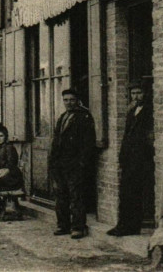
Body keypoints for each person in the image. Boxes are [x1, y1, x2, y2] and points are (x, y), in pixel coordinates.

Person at [108, 83, 154, 237]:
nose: (136, 96)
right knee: (127, 191)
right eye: (133, 93)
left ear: (145, 93)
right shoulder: (131, 111)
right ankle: (125, 225)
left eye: (139, 92)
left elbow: (150, 136)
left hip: (143, 158)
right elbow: (126, 135)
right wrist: (123, 156)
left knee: (139, 192)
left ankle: (134, 225)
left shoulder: (150, 111)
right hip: (130, 157)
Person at [49, 89, 96, 239]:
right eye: (66, 100)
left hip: (75, 164)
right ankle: (63, 225)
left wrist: (82, 163)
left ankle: (78, 227)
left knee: (76, 196)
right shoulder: (63, 117)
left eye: (71, 100)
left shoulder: (84, 117)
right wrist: (53, 162)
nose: (68, 103)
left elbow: (88, 143)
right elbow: (57, 141)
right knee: (61, 195)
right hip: (61, 164)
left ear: (77, 101)